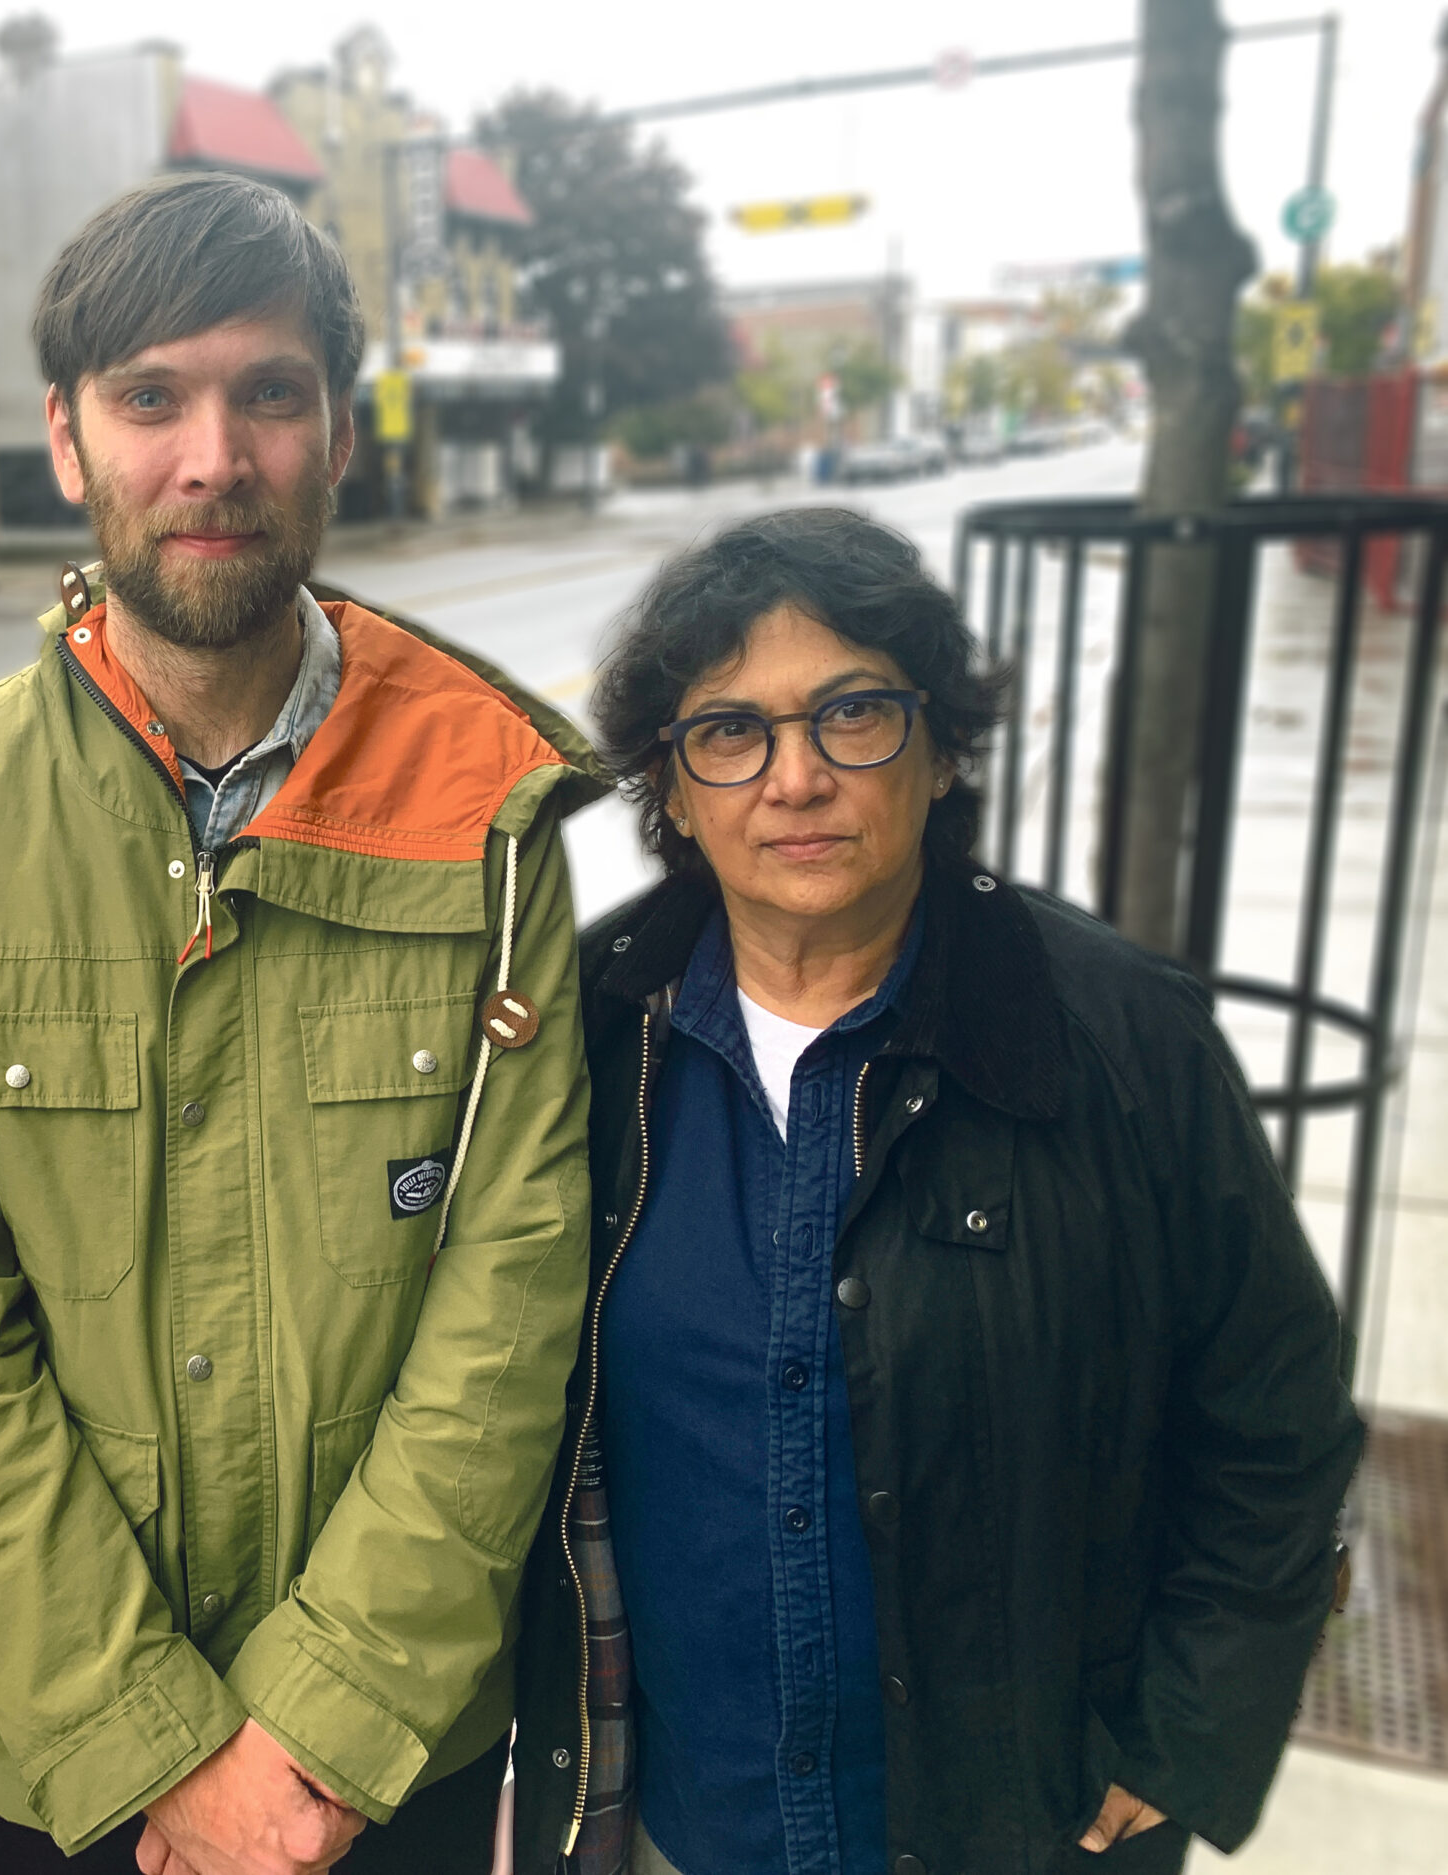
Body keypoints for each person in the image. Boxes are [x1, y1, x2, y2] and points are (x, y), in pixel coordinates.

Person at [0, 173, 605, 1875]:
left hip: (388, 1763)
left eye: (269, 392)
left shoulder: (484, 805)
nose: (212, 456)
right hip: (86, 1768)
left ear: (339, 434)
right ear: (66, 437)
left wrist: (315, 1731)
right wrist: (159, 1747)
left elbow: (514, 1289)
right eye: (151, 397)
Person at [510, 509, 1365, 1875]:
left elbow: (1277, 1425)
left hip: (1019, 1834)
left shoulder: (1120, 1043)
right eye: (730, 732)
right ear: (671, 788)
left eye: (852, 714)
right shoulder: (581, 1037)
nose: (794, 779)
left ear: (943, 744)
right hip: (681, 1832)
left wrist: (1185, 1737)